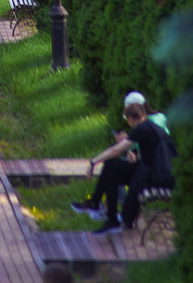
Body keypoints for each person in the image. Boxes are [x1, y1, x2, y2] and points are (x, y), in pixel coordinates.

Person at [71, 90, 170, 221]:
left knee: (112, 166)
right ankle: (103, 206)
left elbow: (149, 146)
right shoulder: (156, 118)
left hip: (154, 171)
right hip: (149, 164)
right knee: (112, 168)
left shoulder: (151, 123)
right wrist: (129, 144)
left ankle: (109, 206)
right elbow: (144, 146)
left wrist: (94, 161)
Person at [87, 102, 176, 236]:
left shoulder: (142, 128)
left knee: (111, 164)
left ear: (129, 118)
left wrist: (93, 161)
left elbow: (116, 150)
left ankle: (99, 206)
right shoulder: (151, 126)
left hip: (156, 176)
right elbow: (150, 154)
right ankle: (111, 219)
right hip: (153, 172)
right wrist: (134, 157)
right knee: (112, 175)